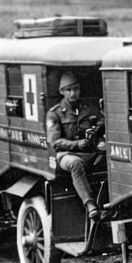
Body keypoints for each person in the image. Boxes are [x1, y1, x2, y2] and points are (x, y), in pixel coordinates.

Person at [45, 71, 106, 220]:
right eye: (69, 90)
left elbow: (102, 120)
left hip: (89, 151)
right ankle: (90, 204)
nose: (73, 93)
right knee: (75, 163)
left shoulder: (88, 108)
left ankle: (109, 203)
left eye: (76, 89)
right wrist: (76, 144)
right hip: (65, 155)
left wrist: (96, 130)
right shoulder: (55, 113)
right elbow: (55, 142)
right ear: (62, 92)